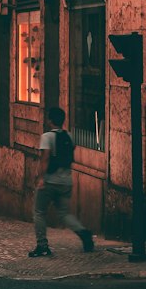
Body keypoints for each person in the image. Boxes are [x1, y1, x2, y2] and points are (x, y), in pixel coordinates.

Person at [30, 105, 94, 257]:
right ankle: (83, 232)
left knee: (39, 212)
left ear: (50, 120)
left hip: (49, 181)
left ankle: (42, 245)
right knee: (64, 213)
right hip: (66, 181)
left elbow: (45, 159)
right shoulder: (69, 136)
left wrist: (40, 178)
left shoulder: (47, 137)